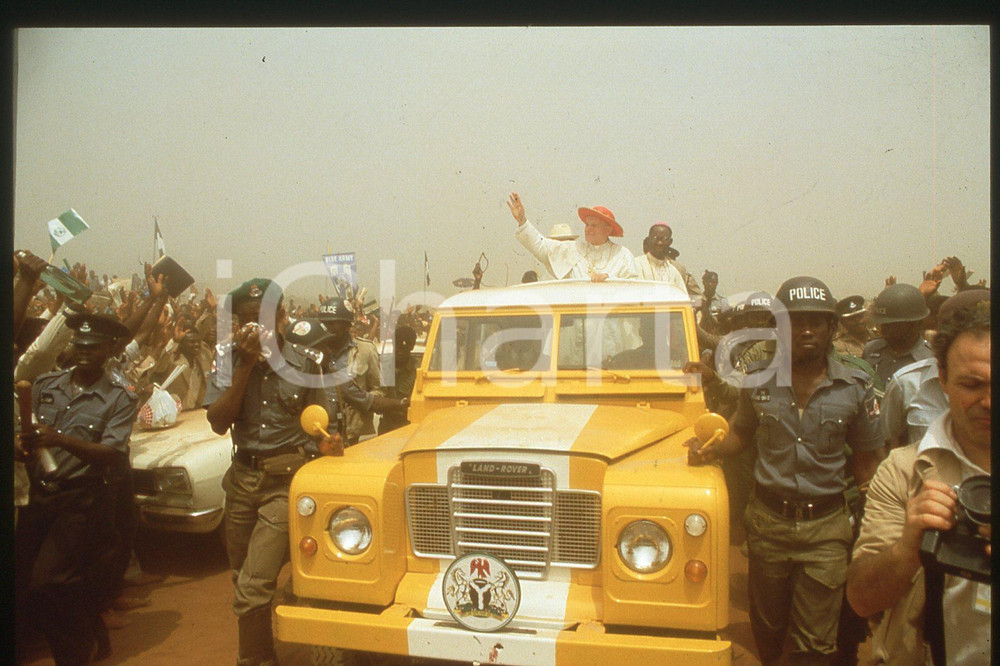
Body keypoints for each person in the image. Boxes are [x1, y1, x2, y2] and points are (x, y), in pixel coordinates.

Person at [686, 276, 885, 665]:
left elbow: (867, 464)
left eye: (817, 321)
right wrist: (711, 448)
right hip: (768, 525)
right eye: (795, 321)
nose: (806, 330)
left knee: (816, 644)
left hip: (827, 530)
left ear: (831, 328)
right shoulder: (757, 378)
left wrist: (873, 529)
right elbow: (741, 433)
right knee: (769, 628)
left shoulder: (856, 386)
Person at [846, 295, 990, 665]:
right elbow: (862, 599)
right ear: (942, 379)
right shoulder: (904, 473)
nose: (989, 401)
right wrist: (910, 547)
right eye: (972, 385)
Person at [204, 278, 341, 666]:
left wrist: (330, 443)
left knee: (253, 585)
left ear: (282, 317)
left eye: (262, 318)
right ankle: (265, 651)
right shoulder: (229, 360)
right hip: (242, 483)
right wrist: (246, 365)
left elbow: (324, 428)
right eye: (245, 320)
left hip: (285, 484)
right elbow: (217, 422)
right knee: (242, 579)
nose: (254, 327)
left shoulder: (309, 363)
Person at [15, 312, 138, 664]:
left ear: (109, 350)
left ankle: (76, 653)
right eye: (79, 344)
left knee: (49, 581)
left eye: (93, 346)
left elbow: (111, 454)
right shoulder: (44, 386)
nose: (84, 351)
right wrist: (22, 447)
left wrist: (59, 439)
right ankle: (92, 631)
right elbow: (30, 442)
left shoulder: (119, 397)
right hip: (40, 496)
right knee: (30, 584)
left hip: (81, 500)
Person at [316, 297, 408, 446]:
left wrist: (357, 401)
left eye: (333, 323)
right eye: (324, 323)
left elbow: (379, 389)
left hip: (354, 435)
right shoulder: (313, 351)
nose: (328, 328)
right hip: (319, 434)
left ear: (346, 324)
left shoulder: (365, 350)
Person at [507, 192, 638, 282]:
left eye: (594, 225)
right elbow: (541, 246)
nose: (588, 229)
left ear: (608, 230)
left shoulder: (623, 255)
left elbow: (634, 289)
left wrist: (609, 280)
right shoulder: (573, 249)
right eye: (587, 224)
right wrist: (522, 220)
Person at [863, 283, 933, 387]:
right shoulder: (872, 349)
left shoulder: (930, 359)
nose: (884, 329)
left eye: (892, 324)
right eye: (882, 323)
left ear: (915, 323)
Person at [378, 323, 418, 435]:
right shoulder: (383, 366)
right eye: (398, 346)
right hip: (386, 425)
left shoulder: (418, 370)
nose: (400, 351)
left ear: (411, 347)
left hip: (408, 425)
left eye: (404, 348)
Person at [634, 222, 688, 293]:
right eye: (655, 238)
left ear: (670, 242)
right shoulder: (636, 264)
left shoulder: (673, 270)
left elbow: (682, 297)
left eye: (664, 239)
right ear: (649, 240)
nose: (659, 243)